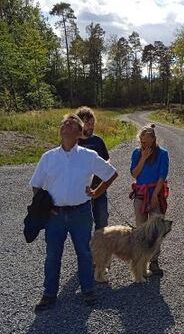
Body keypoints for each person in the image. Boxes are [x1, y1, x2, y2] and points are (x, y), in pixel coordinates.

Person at [30, 113, 118, 311]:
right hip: (55, 216)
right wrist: (45, 207)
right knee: (53, 255)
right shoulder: (48, 157)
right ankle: (49, 294)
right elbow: (36, 185)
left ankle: (88, 290)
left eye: (72, 124)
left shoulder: (89, 156)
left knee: (84, 253)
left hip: (81, 213)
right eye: (64, 123)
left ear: (80, 133)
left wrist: (96, 193)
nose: (67, 126)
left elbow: (111, 174)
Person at [129, 124, 169, 277]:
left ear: (153, 140)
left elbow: (162, 176)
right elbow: (134, 173)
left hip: (155, 193)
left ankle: (154, 261)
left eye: (146, 141)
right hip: (140, 193)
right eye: (141, 141)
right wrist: (143, 158)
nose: (143, 144)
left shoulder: (163, 154)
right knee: (141, 229)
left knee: (156, 229)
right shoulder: (136, 153)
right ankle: (141, 262)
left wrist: (154, 196)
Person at [76, 106, 111, 230]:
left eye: (92, 123)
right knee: (83, 226)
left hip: (99, 189)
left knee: (102, 221)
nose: (91, 126)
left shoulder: (98, 141)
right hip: (79, 192)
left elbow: (107, 162)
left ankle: (101, 248)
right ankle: (86, 249)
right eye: (87, 123)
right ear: (78, 123)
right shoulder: (72, 141)